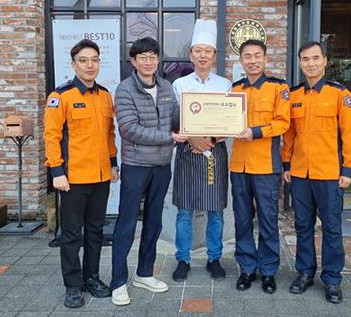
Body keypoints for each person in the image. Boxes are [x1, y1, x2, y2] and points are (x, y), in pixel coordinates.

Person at [44, 39, 118, 309]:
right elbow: (51, 137)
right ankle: (73, 285)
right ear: (73, 64)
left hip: (100, 177)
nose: (90, 65)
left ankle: (91, 277)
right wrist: (56, 172)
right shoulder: (60, 96)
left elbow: (109, 134)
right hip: (72, 179)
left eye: (95, 60)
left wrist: (113, 164)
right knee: (72, 234)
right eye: (84, 60)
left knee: (95, 232)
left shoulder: (105, 95)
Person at [110, 37, 184, 306]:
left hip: (162, 166)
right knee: (127, 223)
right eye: (143, 57)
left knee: (154, 222)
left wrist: (197, 118)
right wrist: (169, 137)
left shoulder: (166, 87)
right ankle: (118, 281)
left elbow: (176, 118)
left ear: (158, 59)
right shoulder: (124, 89)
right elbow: (129, 129)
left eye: (153, 56)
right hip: (136, 166)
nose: (149, 61)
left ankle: (144, 273)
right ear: (133, 61)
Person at [282, 40, 351, 304]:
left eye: (315, 58)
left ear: (325, 61)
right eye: (305, 59)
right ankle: (305, 272)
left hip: (330, 174)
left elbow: (349, 134)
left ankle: (332, 279)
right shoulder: (294, 96)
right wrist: (287, 164)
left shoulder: (340, 95)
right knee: (303, 225)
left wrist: (348, 169)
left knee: (331, 228)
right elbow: (289, 134)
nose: (311, 64)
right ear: (300, 63)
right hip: (300, 173)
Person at [171, 19, 232, 282]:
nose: (203, 55)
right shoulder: (179, 84)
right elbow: (174, 120)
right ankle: (182, 259)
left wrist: (209, 139)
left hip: (214, 153)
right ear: (191, 55)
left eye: (208, 51)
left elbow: (230, 121)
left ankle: (214, 258)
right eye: (198, 51)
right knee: (184, 210)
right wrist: (194, 139)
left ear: (214, 55)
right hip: (187, 153)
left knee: (215, 210)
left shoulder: (225, 85)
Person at [230, 39, 291, 294]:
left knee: (267, 219)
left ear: (265, 59)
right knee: (242, 219)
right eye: (248, 56)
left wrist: (255, 132)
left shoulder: (279, 87)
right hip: (239, 166)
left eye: (257, 56)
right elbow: (224, 120)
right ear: (241, 60)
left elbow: (283, 123)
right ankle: (246, 268)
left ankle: (268, 271)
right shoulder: (235, 89)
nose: (253, 60)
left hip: (266, 165)